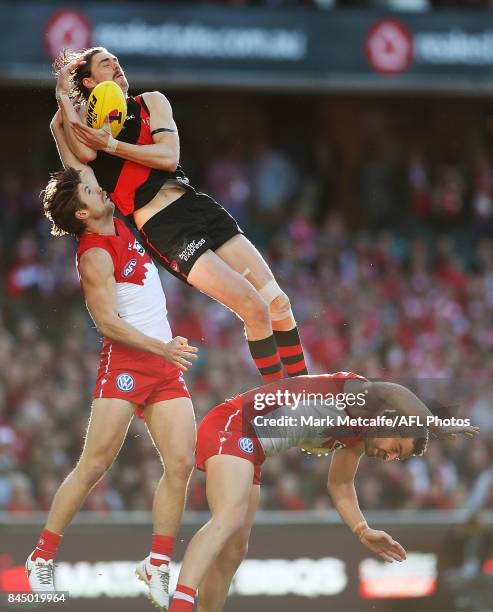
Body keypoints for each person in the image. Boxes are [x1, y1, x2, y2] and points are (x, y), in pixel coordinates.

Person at [51, 47, 308, 385]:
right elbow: (71, 143)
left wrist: (111, 145)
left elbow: (168, 157)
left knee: (278, 303)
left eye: (115, 59)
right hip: (165, 228)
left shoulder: (151, 102)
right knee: (254, 308)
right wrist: (63, 95)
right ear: (88, 81)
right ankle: (281, 401)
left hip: (197, 205)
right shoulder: (86, 134)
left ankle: (308, 394)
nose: (115, 64)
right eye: (104, 62)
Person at [25, 111, 198, 611]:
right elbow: (107, 324)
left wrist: (62, 111)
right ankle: (41, 557)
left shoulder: (108, 213)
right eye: (90, 194)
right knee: (95, 464)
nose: (98, 188)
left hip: (163, 362)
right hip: (130, 358)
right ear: (82, 215)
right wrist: (162, 348)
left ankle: (157, 564)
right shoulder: (95, 252)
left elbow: (73, 170)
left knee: (182, 463)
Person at [167, 372, 479, 612]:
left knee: (235, 550)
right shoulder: (362, 397)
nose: (391, 458)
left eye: (399, 456)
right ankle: (179, 605)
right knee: (228, 518)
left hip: (252, 448)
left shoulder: (357, 436)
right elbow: (391, 390)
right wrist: (435, 425)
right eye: (396, 447)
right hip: (233, 425)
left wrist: (361, 529)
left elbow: (340, 484)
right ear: (390, 420)